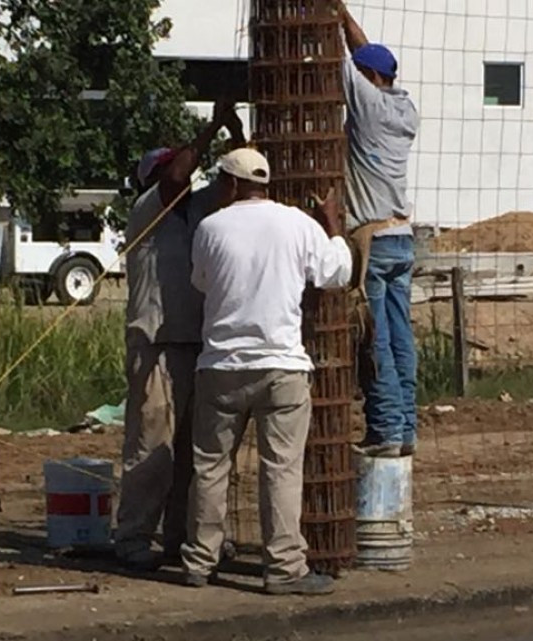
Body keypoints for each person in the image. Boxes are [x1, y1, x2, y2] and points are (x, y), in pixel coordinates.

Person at [181, 148, 352, 595]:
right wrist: (332, 226)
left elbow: (200, 281)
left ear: (232, 184)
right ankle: (283, 568)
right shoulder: (298, 224)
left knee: (211, 468)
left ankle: (200, 561)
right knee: (280, 469)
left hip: (220, 365)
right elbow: (338, 274)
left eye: (221, 182)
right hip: (281, 366)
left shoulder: (209, 227)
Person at [114, 100, 246, 570]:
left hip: (197, 346)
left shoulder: (197, 211)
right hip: (157, 344)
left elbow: (240, 181)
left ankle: (181, 539)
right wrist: (210, 127)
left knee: (196, 451)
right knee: (152, 447)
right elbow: (176, 179)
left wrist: (235, 130)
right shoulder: (149, 210)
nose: (185, 174)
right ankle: (132, 537)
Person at [331, 0, 420, 458]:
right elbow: (365, 55)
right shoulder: (403, 108)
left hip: (373, 242)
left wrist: (335, 20)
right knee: (402, 338)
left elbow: (348, 59)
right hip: (403, 237)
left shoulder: (364, 105)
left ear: (369, 80)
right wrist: (345, 13)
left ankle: (385, 430)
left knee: (376, 341)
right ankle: (405, 429)